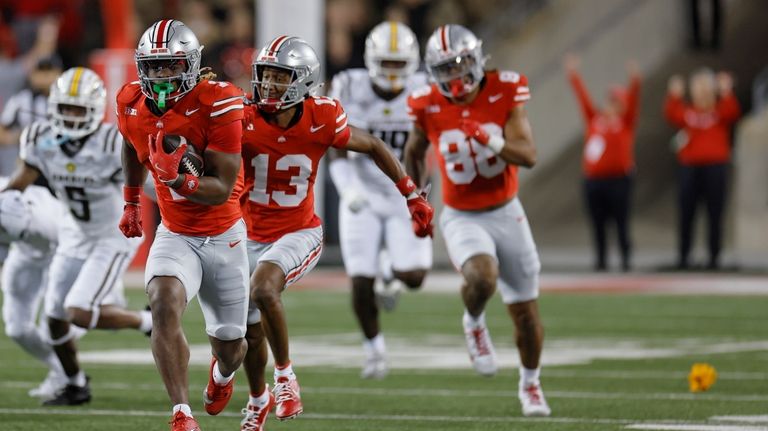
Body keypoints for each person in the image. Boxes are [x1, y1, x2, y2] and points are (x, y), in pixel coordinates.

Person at [237, 35, 434, 431]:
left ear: (303, 82)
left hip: (298, 231)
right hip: (247, 233)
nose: (269, 86)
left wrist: (410, 193)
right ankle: (258, 398)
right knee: (242, 333)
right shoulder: (241, 117)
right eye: (266, 76)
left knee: (263, 289)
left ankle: (286, 378)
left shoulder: (321, 116)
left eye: (280, 78)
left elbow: (374, 145)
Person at [403, 24, 551, 417]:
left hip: (507, 210)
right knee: (483, 277)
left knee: (526, 312)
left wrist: (491, 140)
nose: (454, 75)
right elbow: (414, 151)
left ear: (476, 60)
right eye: (444, 68)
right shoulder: (425, 103)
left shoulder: (505, 89)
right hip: (463, 216)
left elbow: (529, 154)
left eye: (460, 64)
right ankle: (473, 321)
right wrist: (414, 196)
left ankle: (530, 384)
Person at [116, 20, 249, 431]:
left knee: (230, 347)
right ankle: (181, 413)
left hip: (224, 233)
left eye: (170, 65)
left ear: (190, 64)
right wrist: (132, 201)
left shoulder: (220, 102)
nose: (160, 76)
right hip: (176, 233)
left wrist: (180, 180)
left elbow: (223, 187)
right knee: (162, 303)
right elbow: (129, 140)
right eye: (153, 67)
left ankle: (221, 376)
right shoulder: (130, 101)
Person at [3, 66, 152, 406]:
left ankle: (147, 320)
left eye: (77, 109)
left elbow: (151, 187)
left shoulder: (113, 142)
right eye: (65, 108)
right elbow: (21, 179)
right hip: (72, 234)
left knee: (78, 313)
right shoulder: (40, 138)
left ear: (94, 109)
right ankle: (75, 384)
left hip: (112, 235)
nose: (70, 116)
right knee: (54, 319)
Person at [327, 21, 433, 380]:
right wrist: (348, 190)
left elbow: (427, 149)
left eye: (397, 64)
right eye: (385, 63)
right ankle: (374, 350)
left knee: (414, 276)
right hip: (363, 192)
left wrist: (422, 189)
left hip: (405, 193)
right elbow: (336, 150)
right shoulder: (348, 85)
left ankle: (391, 269)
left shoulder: (424, 89)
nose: (391, 72)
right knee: (359, 280)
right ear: (372, 60)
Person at [0, 177, 82, 400]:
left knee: (58, 322)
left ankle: (68, 373)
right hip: (23, 252)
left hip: (60, 250)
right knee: (16, 328)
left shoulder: (50, 223)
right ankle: (60, 368)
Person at [564, 54, 641, 272]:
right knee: (598, 222)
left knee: (621, 221)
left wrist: (635, 80)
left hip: (619, 180)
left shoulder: (625, 122)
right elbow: (583, 99)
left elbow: (635, 101)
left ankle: (626, 258)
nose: (611, 104)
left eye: (617, 101)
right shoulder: (594, 119)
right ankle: (601, 259)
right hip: (594, 180)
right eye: (610, 100)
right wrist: (573, 75)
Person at [664, 68, 740, 270]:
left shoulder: (720, 111)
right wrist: (674, 94)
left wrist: (726, 91)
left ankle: (714, 257)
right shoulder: (688, 113)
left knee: (715, 212)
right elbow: (671, 113)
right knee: (686, 212)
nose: (701, 92)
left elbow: (733, 110)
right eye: (697, 87)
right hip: (690, 168)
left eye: (705, 87)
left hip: (715, 167)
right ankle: (683, 256)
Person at [0, 55, 62, 176]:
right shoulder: (20, 101)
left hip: (59, 163)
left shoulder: (68, 102)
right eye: (41, 71)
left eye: (49, 71)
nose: (45, 77)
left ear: (59, 73)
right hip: (27, 163)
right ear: (32, 75)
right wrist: (20, 137)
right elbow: (2, 132)